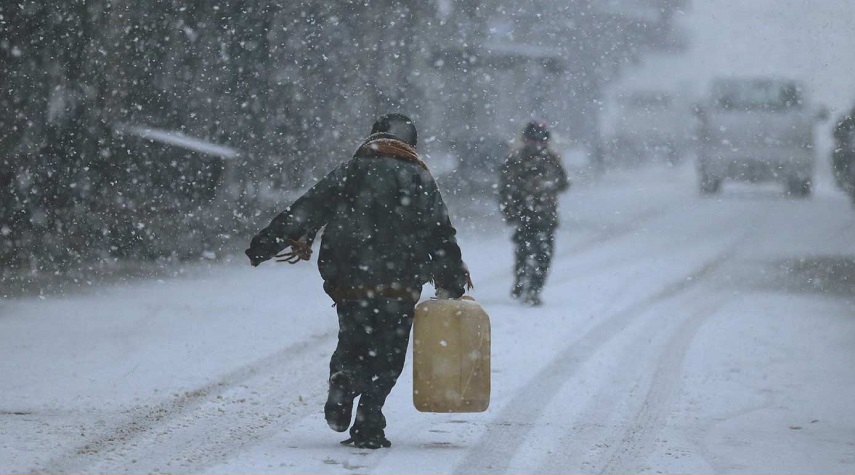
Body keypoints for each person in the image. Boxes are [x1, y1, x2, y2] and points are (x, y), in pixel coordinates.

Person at [245, 113, 471, 449]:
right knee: (388, 353)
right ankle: (369, 421)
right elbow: (440, 232)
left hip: (350, 280)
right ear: (411, 143)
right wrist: (451, 278)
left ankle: (344, 380)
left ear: (374, 137)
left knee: (353, 340)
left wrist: (264, 244)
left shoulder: (349, 172)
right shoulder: (418, 176)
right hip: (399, 283)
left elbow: (307, 208)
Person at [498, 120, 569, 306]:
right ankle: (527, 287)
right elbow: (505, 188)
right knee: (532, 253)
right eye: (533, 140)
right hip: (530, 216)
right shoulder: (521, 159)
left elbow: (563, 184)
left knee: (536, 254)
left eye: (539, 141)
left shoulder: (524, 159)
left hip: (536, 217)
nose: (536, 145)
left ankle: (529, 288)